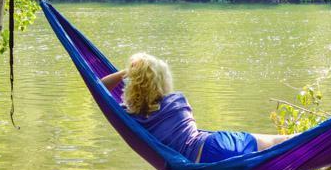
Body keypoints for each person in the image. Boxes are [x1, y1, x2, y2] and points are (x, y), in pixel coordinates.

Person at [100, 53, 292, 163]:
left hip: (202, 164)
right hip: (215, 145)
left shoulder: (130, 118)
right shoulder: (177, 101)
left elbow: (99, 86)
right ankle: (320, 142)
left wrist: (128, 72)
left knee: (277, 147)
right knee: (281, 142)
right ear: (163, 81)